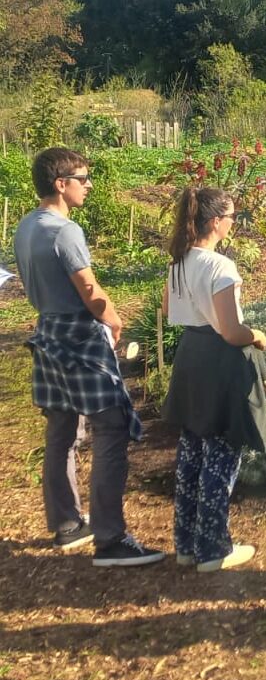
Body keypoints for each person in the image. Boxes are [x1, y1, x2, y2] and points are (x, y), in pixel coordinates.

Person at [12, 147, 164, 566]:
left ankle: (66, 524)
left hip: (48, 331)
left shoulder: (25, 226)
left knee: (61, 429)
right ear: (61, 184)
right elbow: (92, 294)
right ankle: (111, 539)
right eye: (83, 178)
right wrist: (115, 322)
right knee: (111, 428)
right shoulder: (65, 232)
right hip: (79, 334)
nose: (89, 184)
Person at [162, 187, 266, 571]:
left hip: (190, 355)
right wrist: (256, 335)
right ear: (215, 221)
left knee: (192, 449)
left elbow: (168, 308)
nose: (233, 222)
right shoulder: (220, 267)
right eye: (231, 217)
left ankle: (186, 544)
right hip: (218, 361)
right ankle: (213, 549)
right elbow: (231, 331)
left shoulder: (179, 260)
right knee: (222, 451)